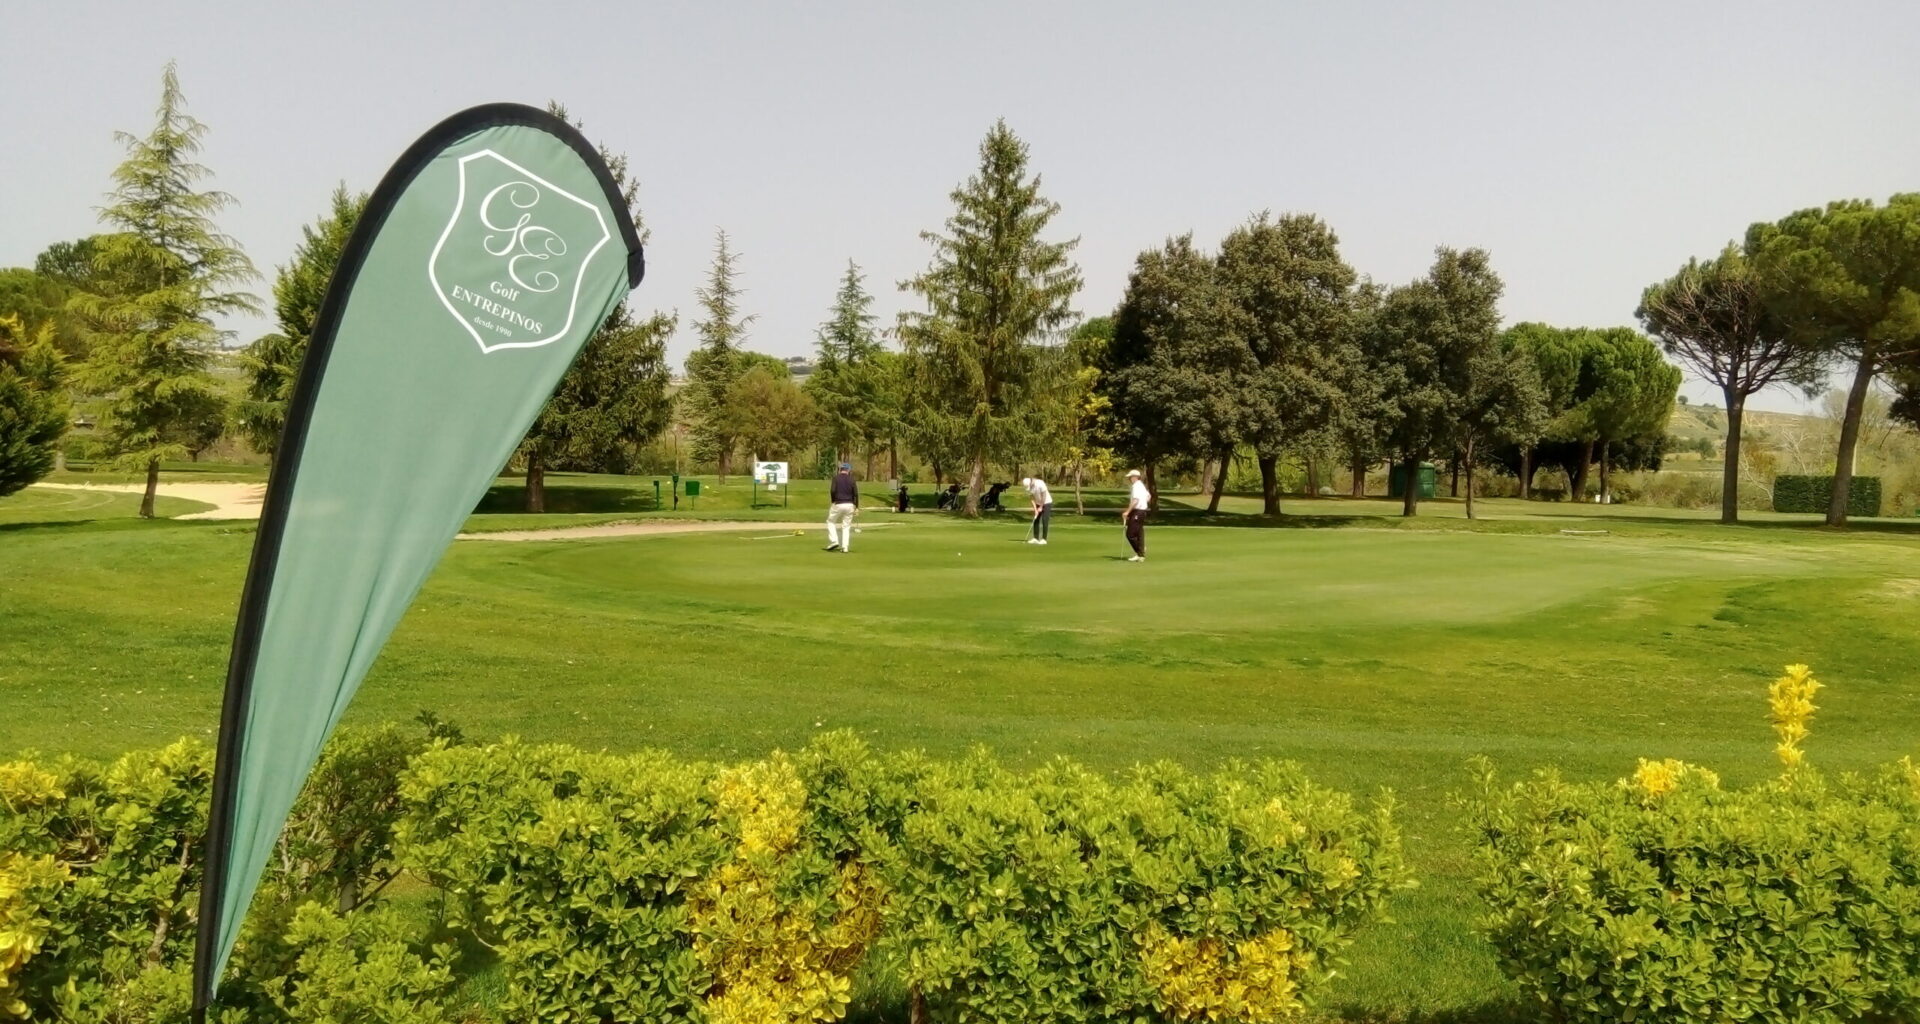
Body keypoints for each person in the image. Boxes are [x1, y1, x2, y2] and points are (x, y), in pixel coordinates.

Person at [826, 463, 858, 553]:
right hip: (850, 504)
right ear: (848, 470)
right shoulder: (852, 479)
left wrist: (833, 500)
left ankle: (834, 541)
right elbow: (855, 494)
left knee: (830, 521)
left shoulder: (836, 478)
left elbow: (832, 490)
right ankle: (845, 547)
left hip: (838, 503)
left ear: (840, 469)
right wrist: (857, 507)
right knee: (846, 526)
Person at [1122, 468, 1151, 562]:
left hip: (1138, 512)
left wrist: (1127, 512)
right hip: (1142, 511)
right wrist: (1143, 503)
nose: (1129, 479)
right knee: (1139, 534)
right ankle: (1140, 555)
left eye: (1130, 477)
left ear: (1135, 477)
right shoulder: (1141, 485)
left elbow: (1135, 500)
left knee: (1130, 534)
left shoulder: (1136, 486)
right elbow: (1148, 497)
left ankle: (1140, 550)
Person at [1022, 475, 1053, 544]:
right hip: (1038, 503)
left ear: (1031, 482)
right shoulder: (1029, 488)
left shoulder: (1040, 483)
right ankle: (1035, 538)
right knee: (1036, 519)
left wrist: (1041, 507)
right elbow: (1032, 498)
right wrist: (1035, 509)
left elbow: (1044, 495)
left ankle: (1044, 539)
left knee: (1045, 520)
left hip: (1047, 502)